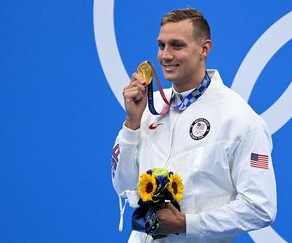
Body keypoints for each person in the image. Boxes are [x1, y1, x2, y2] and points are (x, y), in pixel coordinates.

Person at [111, 8, 277, 242]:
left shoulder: (240, 120)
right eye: (161, 45)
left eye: (177, 45)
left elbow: (260, 208)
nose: (165, 55)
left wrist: (186, 224)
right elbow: (123, 185)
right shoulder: (149, 106)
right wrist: (132, 124)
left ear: (204, 48)